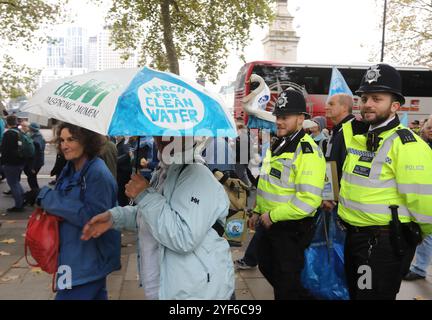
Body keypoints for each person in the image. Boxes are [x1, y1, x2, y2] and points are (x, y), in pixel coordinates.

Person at [81, 136, 235, 300]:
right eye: (158, 132)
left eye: (170, 133)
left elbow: (183, 236)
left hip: (198, 292)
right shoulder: (165, 171)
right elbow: (153, 216)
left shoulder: (197, 175)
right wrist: (115, 217)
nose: (161, 138)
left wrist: (144, 195)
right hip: (168, 288)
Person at [338, 63, 432, 300]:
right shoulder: (361, 138)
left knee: (369, 296)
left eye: (377, 98)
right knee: (359, 294)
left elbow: (424, 200)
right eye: (364, 97)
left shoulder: (407, 145)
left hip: (381, 245)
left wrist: (417, 234)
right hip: (357, 239)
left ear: (395, 106)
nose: (367, 103)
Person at [249, 88, 326, 300]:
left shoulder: (307, 151)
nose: (279, 122)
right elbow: (268, 182)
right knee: (266, 266)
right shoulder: (279, 143)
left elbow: (309, 200)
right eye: (277, 117)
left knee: (286, 285)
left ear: (301, 119)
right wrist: (257, 210)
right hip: (270, 224)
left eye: (285, 117)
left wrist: (272, 216)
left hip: (290, 229)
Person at [35, 122, 121, 300]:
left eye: (71, 139)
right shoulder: (70, 168)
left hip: (86, 263)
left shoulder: (97, 173)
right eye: (62, 140)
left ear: (86, 141)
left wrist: (47, 198)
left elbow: (94, 218)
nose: (64, 145)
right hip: (72, 257)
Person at [403, 117, 432, 281]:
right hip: (423, 196)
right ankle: (420, 268)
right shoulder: (419, 145)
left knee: (428, 235)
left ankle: (420, 268)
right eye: (429, 127)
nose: (431, 130)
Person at [321, 93, 355, 212]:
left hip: (341, 203)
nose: (326, 107)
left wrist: (333, 198)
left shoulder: (351, 129)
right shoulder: (338, 129)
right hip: (332, 197)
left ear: (344, 107)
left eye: (331, 104)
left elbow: (347, 167)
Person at [0, 115, 26, 212]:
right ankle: (23, 200)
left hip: (11, 163)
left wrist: (2, 162)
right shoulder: (20, 131)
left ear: (7, 122)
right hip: (20, 161)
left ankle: (19, 205)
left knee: (13, 184)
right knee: (16, 182)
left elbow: (4, 149)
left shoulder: (8, 134)